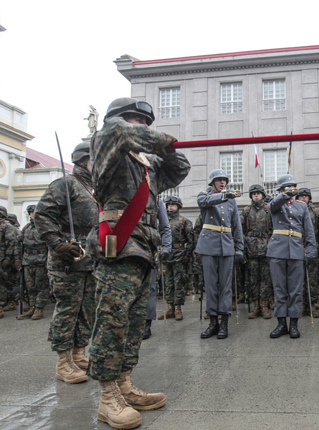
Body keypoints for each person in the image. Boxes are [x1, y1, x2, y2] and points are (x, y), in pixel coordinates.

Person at [87, 97, 190, 429]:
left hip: (143, 248)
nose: (141, 125)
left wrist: (169, 149)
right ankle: (106, 397)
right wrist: (162, 139)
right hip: (118, 243)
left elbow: (180, 168)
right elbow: (123, 131)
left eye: (145, 121)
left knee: (133, 325)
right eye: (135, 119)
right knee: (111, 321)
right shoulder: (108, 140)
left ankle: (125, 383)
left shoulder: (146, 163)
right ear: (119, 119)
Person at [34, 142, 98, 384]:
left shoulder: (94, 188)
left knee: (87, 308)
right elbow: (43, 214)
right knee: (69, 307)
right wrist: (56, 243)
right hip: (67, 257)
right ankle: (63, 361)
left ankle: (79, 352)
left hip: (90, 257)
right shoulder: (65, 183)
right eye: (95, 159)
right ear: (83, 161)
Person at [267, 174, 316, 339]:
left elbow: (308, 230)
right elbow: (274, 204)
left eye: (292, 186)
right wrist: (286, 194)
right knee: (279, 288)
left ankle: (294, 324)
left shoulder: (302, 206)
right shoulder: (275, 203)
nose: (289, 189)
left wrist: (311, 250)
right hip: (277, 250)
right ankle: (281, 324)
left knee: (296, 290)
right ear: (281, 189)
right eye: (286, 187)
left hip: (295, 250)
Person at [197, 169, 244, 340]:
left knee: (226, 286)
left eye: (224, 180)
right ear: (212, 183)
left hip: (226, 246)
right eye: (219, 180)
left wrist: (239, 248)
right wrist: (225, 196)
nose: (222, 182)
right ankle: (212, 323)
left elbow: (237, 226)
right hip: (209, 246)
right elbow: (204, 202)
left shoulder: (231, 202)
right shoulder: (205, 195)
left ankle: (224, 323)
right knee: (211, 286)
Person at [241, 184, 273, 320]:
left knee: (266, 278)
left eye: (258, 193)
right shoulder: (246, 211)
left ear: (263, 195)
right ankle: (256, 306)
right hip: (251, 249)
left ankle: (264, 305)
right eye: (253, 194)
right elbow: (240, 231)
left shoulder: (269, 210)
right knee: (253, 279)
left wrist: (271, 245)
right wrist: (242, 249)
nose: (256, 195)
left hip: (266, 249)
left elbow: (273, 230)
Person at [159, 196, 193, 321]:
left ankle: (178, 308)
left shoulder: (184, 221)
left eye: (173, 204)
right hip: (166, 255)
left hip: (179, 255)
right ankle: (170, 308)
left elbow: (191, 241)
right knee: (168, 282)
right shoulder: (162, 221)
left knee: (179, 282)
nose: (170, 206)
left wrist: (187, 255)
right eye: (168, 205)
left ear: (178, 206)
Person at [143, 197, 172, 340]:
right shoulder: (123, 194)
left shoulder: (155, 200)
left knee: (149, 288)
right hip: (125, 248)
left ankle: (146, 324)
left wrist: (166, 247)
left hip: (148, 248)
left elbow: (165, 227)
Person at [296, 188, 319, 318]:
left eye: (306, 196)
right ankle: (302, 304)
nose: (303, 198)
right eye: (301, 196)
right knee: (299, 279)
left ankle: (312, 303)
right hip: (298, 248)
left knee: (313, 279)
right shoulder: (294, 210)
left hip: (313, 249)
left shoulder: (315, 212)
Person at [17, 205, 49, 320]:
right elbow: (19, 243)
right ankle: (32, 307)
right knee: (30, 286)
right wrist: (18, 259)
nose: (32, 214)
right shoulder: (26, 228)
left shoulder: (44, 227)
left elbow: (50, 245)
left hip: (41, 259)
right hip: (27, 260)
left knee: (41, 285)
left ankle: (39, 308)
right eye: (30, 212)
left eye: (34, 212)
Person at [0, 206, 19, 319]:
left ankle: (1, 306)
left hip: (2, 259)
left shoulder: (7, 227)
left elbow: (12, 243)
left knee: (3, 283)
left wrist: (8, 258)